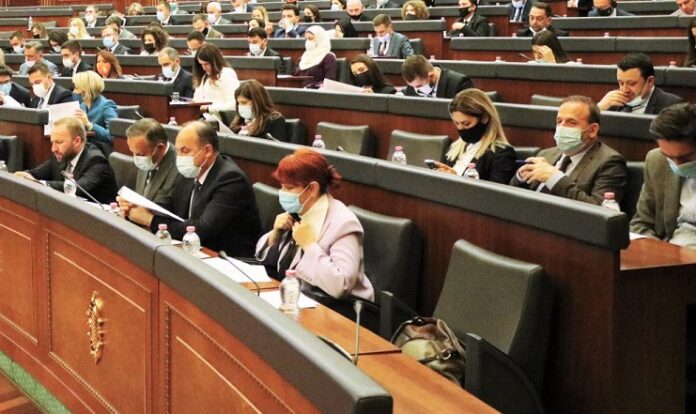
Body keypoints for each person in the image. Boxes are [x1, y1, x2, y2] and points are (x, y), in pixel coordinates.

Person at [127, 121, 261, 256]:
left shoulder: (230, 179)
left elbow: (203, 229)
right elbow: (169, 204)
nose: (179, 157)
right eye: (178, 151)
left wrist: (150, 220)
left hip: (227, 258)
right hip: (196, 251)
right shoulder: (191, 172)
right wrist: (138, 207)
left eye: (185, 151)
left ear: (207, 151)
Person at [256, 148, 375, 300]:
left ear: (312, 188)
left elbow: (342, 285)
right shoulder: (298, 210)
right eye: (282, 186)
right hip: (294, 298)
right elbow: (269, 262)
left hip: (336, 309)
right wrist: (275, 236)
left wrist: (309, 245)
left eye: (289, 188)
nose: (283, 192)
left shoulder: (344, 223)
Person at [510, 95, 628, 205]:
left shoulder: (609, 163)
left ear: (592, 130)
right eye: (559, 121)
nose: (562, 127)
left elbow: (599, 210)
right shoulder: (545, 154)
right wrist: (521, 177)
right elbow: (511, 197)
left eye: (571, 122)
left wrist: (555, 179)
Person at [630, 103, 696, 248]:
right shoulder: (657, 161)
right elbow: (641, 223)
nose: (677, 164)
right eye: (669, 157)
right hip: (671, 249)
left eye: (685, 158)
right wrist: (660, 252)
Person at [14, 117, 117, 203]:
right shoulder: (61, 155)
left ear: (76, 141)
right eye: (52, 142)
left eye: (59, 142)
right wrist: (23, 176)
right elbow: (35, 174)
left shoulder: (96, 161)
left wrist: (38, 183)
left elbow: (77, 189)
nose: (53, 149)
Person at [433, 89, 516, 183]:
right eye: (457, 124)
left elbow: (495, 191)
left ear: (485, 118)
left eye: (466, 124)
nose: (461, 128)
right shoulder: (453, 149)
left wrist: (456, 180)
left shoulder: (501, 154)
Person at [598, 53, 683, 114]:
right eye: (621, 83)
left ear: (650, 81)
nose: (624, 90)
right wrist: (599, 108)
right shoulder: (612, 102)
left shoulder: (672, 106)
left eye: (631, 83)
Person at [119, 118, 178, 203]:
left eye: (140, 154)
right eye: (133, 152)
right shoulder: (147, 158)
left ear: (160, 148)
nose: (136, 158)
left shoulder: (179, 169)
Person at [72, 71, 118, 149]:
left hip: (99, 150)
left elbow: (113, 136)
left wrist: (89, 124)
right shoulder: (82, 106)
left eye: (76, 88)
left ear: (85, 89)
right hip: (84, 147)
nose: (74, 91)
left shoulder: (106, 105)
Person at [193, 43, 240, 116]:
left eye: (206, 64)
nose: (203, 68)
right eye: (201, 64)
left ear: (215, 61)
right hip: (202, 116)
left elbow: (234, 104)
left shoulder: (227, 74)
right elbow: (197, 99)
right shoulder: (204, 76)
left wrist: (208, 108)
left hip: (218, 118)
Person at [402, 54, 474, 98]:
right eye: (412, 86)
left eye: (419, 86)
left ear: (431, 76)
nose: (416, 90)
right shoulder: (413, 84)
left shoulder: (460, 84)